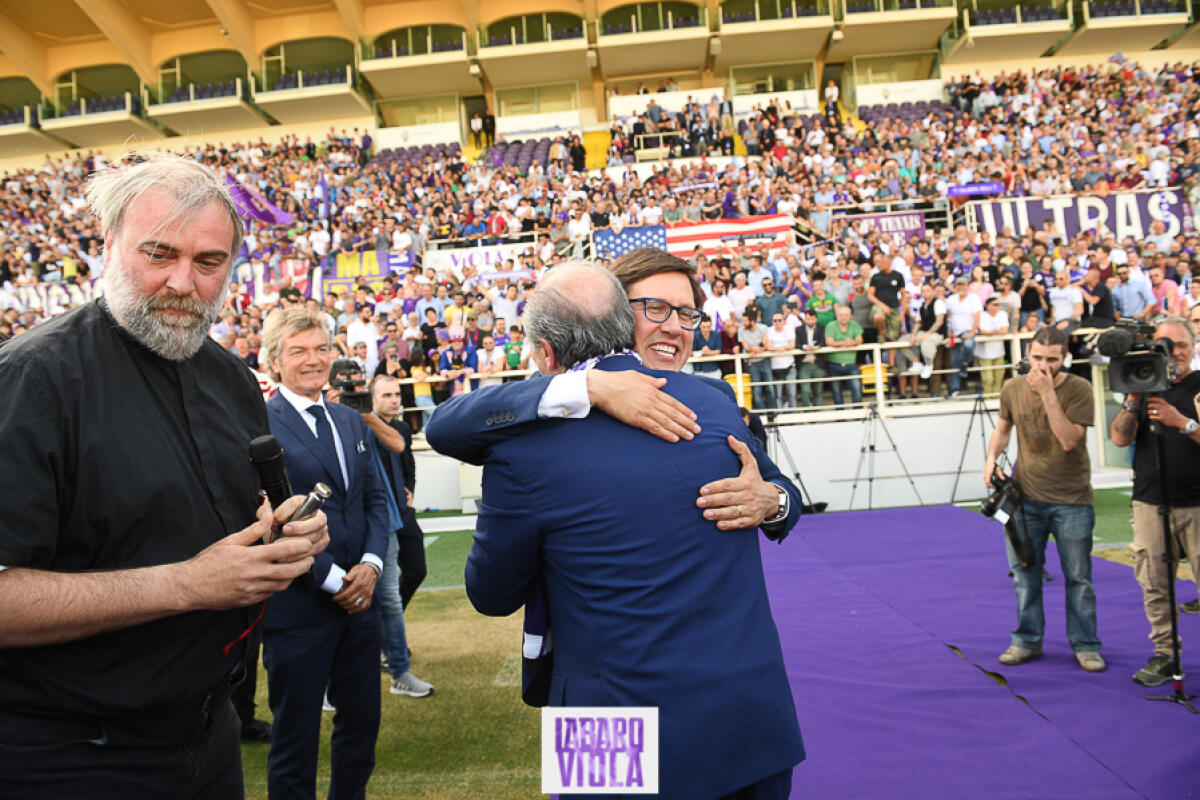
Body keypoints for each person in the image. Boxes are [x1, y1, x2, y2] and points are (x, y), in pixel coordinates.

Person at [0, 153, 328, 798]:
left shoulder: (230, 377)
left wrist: (279, 540)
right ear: (108, 246)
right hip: (66, 758)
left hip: (208, 739)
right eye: (158, 254)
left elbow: (216, 532)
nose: (183, 282)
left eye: (208, 262)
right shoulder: (30, 379)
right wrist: (186, 585)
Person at [448, 261, 805, 798]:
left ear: (546, 351)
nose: (673, 327)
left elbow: (492, 595)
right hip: (750, 711)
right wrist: (586, 386)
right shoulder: (713, 404)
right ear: (619, 316)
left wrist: (773, 500)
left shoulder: (525, 450)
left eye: (686, 313)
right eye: (654, 309)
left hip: (608, 718)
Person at [260, 307, 389, 800]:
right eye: (299, 351)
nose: (313, 360)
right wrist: (335, 580)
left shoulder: (348, 420)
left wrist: (371, 567)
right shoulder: (259, 425)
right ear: (275, 361)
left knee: (360, 731)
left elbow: (375, 500)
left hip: (361, 604)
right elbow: (270, 520)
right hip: (300, 608)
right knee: (294, 743)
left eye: (321, 349)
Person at [984, 326, 1104, 673]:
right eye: (1036, 358)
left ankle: (1085, 645)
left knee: (1079, 578)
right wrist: (991, 459)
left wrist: (1049, 394)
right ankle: (1026, 640)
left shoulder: (1079, 389)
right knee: (1024, 574)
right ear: (1028, 354)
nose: (1043, 366)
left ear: (1065, 357)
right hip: (1024, 498)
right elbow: (1003, 426)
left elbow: (1069, 441)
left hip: (1072, 499)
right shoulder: (1012, 387)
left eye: (1052, 360)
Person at [1109, 317, 1200, 687]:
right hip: (1149, 503)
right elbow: (1118, 439)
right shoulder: (1143, 383)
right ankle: (1165, 654)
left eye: (1180, 344)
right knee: (1154, 585)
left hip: (1197, 505)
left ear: (1193, 347)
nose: (1173, 352)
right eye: (1165, 344)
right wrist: (1132, 401)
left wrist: (1183, 422)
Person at [368, 375, 434, 697]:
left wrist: (410, 489)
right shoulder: (362, 427)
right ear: (373, 398)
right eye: (387, 395)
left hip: (402, 512)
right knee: (384, 592)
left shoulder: (404, 428)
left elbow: (409, 463)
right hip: (377, 518)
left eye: (397, 394)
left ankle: (386, 639)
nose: (394, 400)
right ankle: (387, 648)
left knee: (417, 570)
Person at [824, 304, 863, 407]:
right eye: (841, 315)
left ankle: (858, 413)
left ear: (850, 316)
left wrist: (852, 342)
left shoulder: (854, 324)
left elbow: (859, 340)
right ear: (836, 316)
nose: (844, 317)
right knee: (836, 391)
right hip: (834, 364)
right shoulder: (831, 325)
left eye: (846, 315)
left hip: (851, 363)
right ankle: (840, 415)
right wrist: (843, 343)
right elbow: (829, 342)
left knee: (856, 388)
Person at [977, 295, 1011, 396]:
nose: (998, 307)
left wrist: (991, 332)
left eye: (999, 305)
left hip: (999, 350)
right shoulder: (982, 315)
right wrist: (996, 331)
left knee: (998, 376)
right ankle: (987, 397)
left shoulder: (1002, 314)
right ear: (987, 306)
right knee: (988, 378)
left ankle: (997, 397)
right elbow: (982, 331)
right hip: (985, 352)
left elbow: (1004, 330)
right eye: (995, 304)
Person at [794, 307, 826, 407]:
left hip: (817, 362)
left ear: (816, 319)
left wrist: (816, 347)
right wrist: (805, 347)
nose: (810, 321)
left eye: (812, 318)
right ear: (805, 319)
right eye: (808, 319)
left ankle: (817, 412)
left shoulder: (821, 327)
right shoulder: (798, 329)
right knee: (805, 390)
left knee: (818, 390)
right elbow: (796, 344)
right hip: (804, 363)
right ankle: (807, 412)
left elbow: (823, 342)